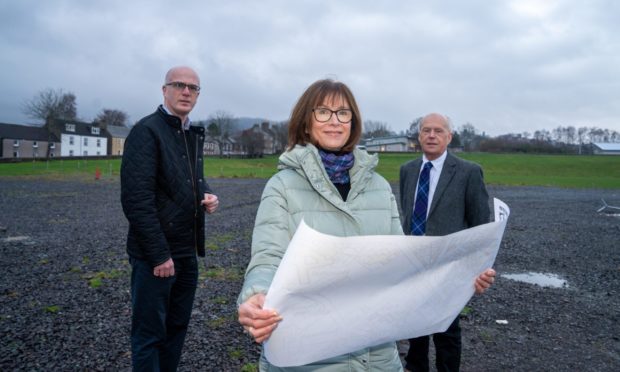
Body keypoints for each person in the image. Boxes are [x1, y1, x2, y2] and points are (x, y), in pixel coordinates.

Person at [237, 79, 405, 371]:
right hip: (308, 355)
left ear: (353, 122)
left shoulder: (379, 186)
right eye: (323, 112)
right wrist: (256, 295)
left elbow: (402, 259)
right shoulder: (282, 186)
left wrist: (458, 278)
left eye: (343, 113)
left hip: (376, 356)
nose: (334, 121)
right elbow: (267, 256)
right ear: (306, 122)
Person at [120, 66, 219, 371]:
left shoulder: (190, 133)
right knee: (150, 334)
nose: (187, 91)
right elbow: (137, 200)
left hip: (186, 252)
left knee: (176, 330)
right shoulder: (147, 131)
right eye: (179, 85)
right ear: (165, 90)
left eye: (193, 88)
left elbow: (189, 179)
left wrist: (207, 193)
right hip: (156, 257)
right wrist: (159, 255)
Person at [399, 113, 495, 372]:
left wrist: (476, 267)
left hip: (450, 267)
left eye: (438, 131)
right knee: (415, 324)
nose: (432, 135)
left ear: (449, 137)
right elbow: (406, 216)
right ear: (419, 136)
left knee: (447, 330)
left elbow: (481, 225)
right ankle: (416, 367)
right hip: (414, 261)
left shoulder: (468, 172)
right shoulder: (407, 170)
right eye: (426, 130)